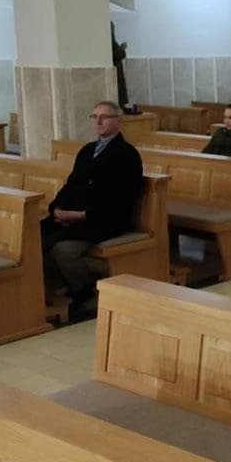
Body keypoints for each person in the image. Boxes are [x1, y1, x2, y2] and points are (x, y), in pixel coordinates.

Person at [41, 101, 143, 309]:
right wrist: (57, 208)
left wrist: (81, 215)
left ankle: (86, 290)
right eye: (94, 116)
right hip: (74, 216)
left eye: (104, 117)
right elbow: (71, 184)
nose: (98, 121)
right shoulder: (87, 150)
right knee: (35, 237)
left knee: (63, 250)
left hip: (104, 219)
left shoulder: (127, 154)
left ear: (117, 120)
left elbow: (121, 199)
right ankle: (61, 286)